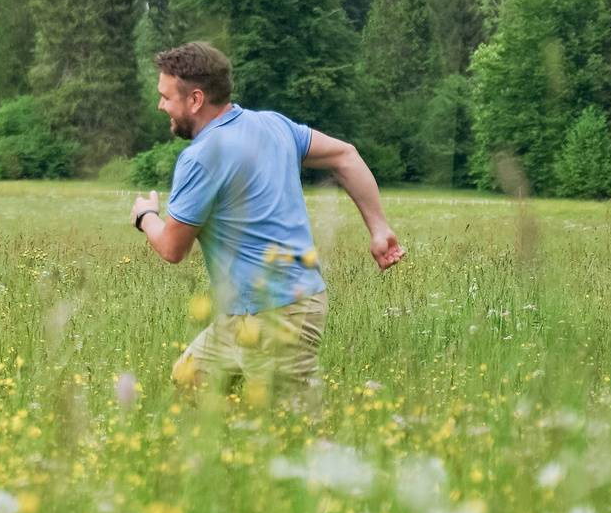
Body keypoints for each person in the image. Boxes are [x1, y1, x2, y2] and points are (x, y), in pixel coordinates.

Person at [128, 41, 404, 406]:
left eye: (166, 96)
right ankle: (231, 455)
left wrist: (145, 216)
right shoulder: (273, 125)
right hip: (247, 314)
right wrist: (379, 228)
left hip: (277, 313)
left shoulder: (200, 158)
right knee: (189, 381)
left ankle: (369, 418)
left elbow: (171, 248)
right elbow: (345, 156)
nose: (161, 104)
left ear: (195, 100)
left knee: (293, 431)